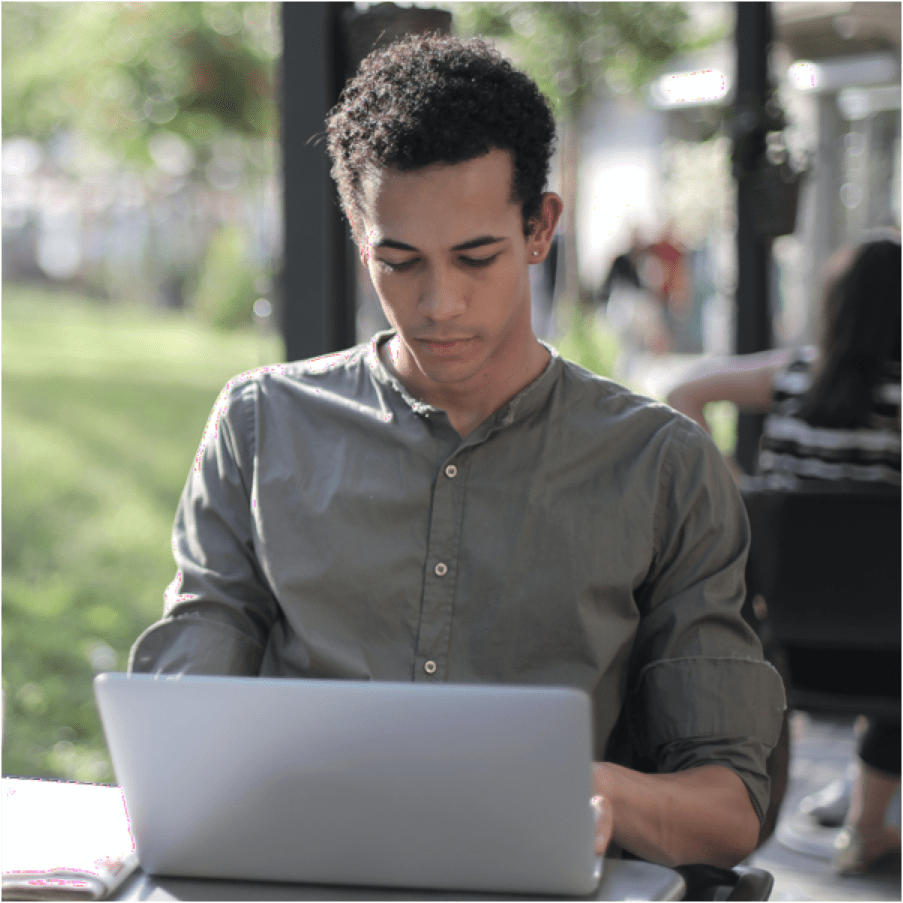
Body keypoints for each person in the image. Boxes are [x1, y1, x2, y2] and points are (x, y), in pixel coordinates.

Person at [130, 34, 784, 870]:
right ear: (359, 238)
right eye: (397, 262)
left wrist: (589, 792)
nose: (438, 304)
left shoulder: (660, 465)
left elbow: (728, 808)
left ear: (539, 227)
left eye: (476, 257)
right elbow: (183, 732)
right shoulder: (260, 426)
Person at [667, 237, 902, 875]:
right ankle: (866, 825)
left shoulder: (795, 375)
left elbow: (683, 391)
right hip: (892, 659)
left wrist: (741, 495)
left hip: (783, 647)